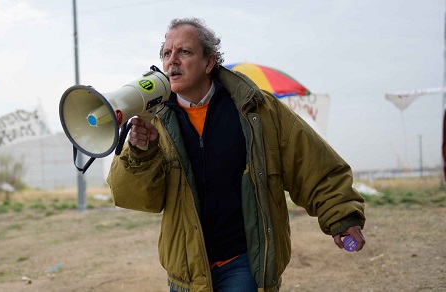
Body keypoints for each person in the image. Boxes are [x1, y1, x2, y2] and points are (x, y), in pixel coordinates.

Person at [107, 17, 366, 292]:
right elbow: (134, 198)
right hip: (187, 270)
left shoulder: (258, 110)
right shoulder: (153, 119)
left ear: (209, 62)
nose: (172, 61)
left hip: (244, 262)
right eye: (167, 53)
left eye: (184, 52)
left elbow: (313, 165)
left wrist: (341, 217)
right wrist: (139, 153)